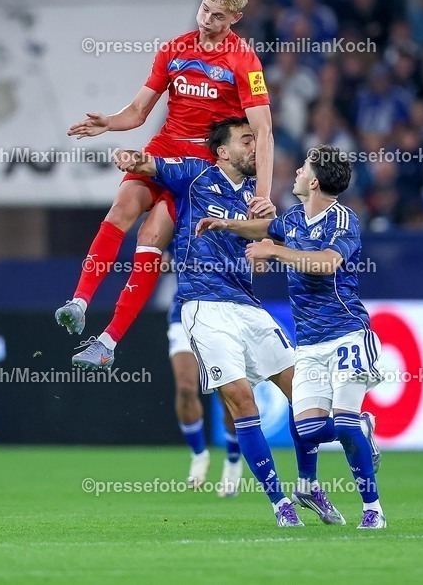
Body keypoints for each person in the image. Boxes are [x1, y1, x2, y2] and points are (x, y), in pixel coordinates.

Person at [116, 117, 344, 527]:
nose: (255, 148)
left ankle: (307, 486)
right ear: (223, 152)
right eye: (246, 141)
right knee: (241, 398)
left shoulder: (259, 201)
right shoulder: (195, 174)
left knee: (306, 398)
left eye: (256, 140)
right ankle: (279, 504)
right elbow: (149, 166)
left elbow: (285, 236)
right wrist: (131, 156)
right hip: (203, 305)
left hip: (249, 306)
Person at [56, 0, 276, 369]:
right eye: (205, 10)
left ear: (235, 19)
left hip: (201, 166)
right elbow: (139, 111)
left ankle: (107, 342)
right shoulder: (174, 49)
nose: (207, 20)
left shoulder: (243, 60)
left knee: (152, 235)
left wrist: (261, 194)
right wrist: (109, 121)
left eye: (218, 16)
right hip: (164, 146)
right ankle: (79, 301)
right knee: (121, 208)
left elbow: (264, 131)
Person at [197, 145, 386, 529]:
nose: (297, 171)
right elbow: (266, 230)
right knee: (309, 430)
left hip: (347, 333)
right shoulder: (296, 218)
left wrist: (275, 253)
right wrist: (226, 225)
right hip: (311, 344)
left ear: (314, 181)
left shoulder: (343, 220)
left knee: (346, 424)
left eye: (303, 167)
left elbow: (327, 263)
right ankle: (360, 430)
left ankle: (373, 510)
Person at [167, 297, 242, 496]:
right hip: (183, 313)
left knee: (228, 393)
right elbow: (160, 267)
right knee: (185, 388)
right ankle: (199, 455)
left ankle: (233, 461)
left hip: (221, 313)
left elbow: (260, 268)